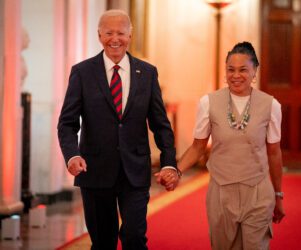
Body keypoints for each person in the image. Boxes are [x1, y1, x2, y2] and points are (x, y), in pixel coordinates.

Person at [57, 9, 180, 250]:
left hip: (135, 172)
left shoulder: (147, 73)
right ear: (99, 35)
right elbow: (67, 123)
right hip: (94, 172)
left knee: (134, 237)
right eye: (109, 33)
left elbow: (161, 125)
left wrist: (168, 163)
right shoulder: (82, 72)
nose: (115, 38)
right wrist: (72, 155)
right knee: (103, 242)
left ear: (130, 34)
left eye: (121, 33)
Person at [168, 41, 285, 249]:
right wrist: (177, 172)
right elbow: (198, 147)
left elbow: (274, 153)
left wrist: (278, 195)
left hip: (258, 192)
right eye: (231, 70)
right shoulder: (208, 102)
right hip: (221, 193)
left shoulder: (271, 105)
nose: (236, 75)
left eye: (243, 70)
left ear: (254, 71)